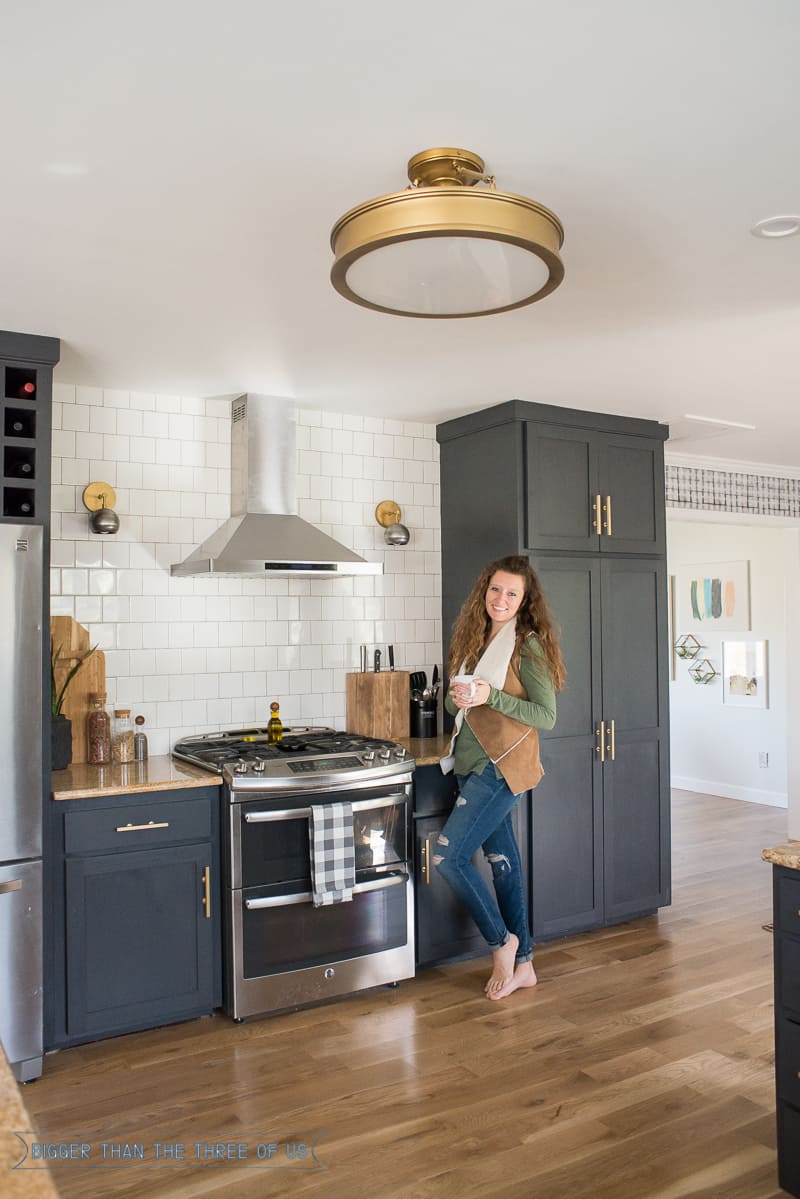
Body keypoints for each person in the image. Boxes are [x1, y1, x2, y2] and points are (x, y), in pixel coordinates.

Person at [436, 554, 566, 1001]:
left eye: (512, 593)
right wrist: (458, 697)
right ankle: (525, 965)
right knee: (503, 868)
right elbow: (456, 709)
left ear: (525, 600)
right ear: (484, 591)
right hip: (470, 763)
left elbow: (545, 715)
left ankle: (502, 942)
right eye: (496, 590)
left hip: (502, 766)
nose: (501, 599)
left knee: (447, 859)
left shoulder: (527, 644)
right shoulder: (474, 639)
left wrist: (491, 695)